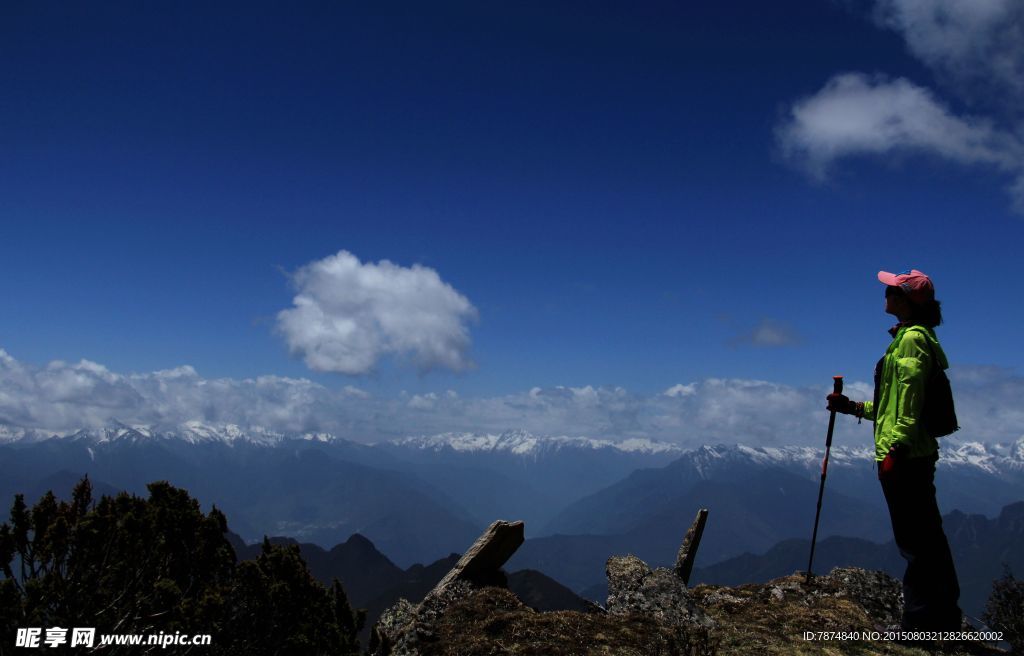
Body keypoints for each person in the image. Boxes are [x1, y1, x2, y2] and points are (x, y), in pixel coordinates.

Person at [826, 269, 962, 632]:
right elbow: (891, 405)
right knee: (928, 538)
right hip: (911, 454)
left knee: (916, 544)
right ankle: (945, 617)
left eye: (891, 290)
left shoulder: (911, 341)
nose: (885, 294)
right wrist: (853, 407)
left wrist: (895, 451)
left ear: (905, 299)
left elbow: (909, 403)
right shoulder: (910, 338)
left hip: (905, 458)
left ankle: (920, 627)